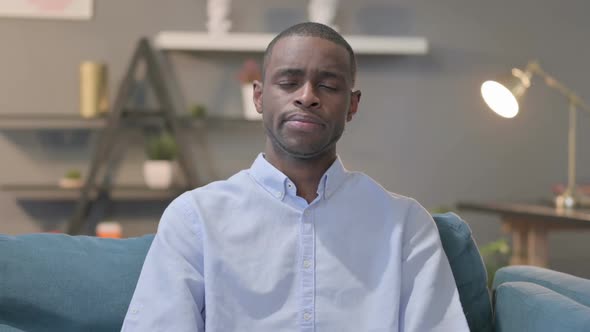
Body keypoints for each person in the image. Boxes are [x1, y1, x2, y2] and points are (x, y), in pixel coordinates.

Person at [121, 22, 469, 332]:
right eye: (289, 82)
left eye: (329, 86)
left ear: (352, 105)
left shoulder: (405, 226)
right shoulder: (194, 218)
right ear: (258, 96)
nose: (307, 97)